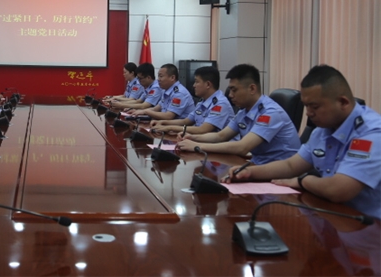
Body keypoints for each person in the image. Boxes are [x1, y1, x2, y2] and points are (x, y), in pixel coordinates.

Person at [225, 65, 381, 220]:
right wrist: (250, 173)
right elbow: (291, 165)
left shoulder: (370, 134)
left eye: (315, 106)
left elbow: (338, 190)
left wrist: (303, 181)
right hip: (332, 217)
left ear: (343, 102)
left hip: (367, 230)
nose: (308, 113)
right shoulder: (323, 130)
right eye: (306, 105)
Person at [177, 64, 300, 164]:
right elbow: (220, 136)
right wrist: (191, 137)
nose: (230, 95)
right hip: (258, 165)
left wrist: (197, 146)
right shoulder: (244, 111)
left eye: (234, 90)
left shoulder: (270, 113)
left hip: (280, 175)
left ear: (252, 89)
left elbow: (242, 148)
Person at [151, 66, 234, 135]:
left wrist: (169, 128)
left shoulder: (220, 104)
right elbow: (186, 121)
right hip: (202, 142)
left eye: (196, 82)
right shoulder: (203, 101)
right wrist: (163, 123)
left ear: (208, 84)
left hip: (222, 151)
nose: (194, 85)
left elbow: (202, 130)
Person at [131, 64, 195, 120]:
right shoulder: (166, 90)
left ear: (172, 77)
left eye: (161, 76)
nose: (158, 79)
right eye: (158, 76)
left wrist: (146, 112)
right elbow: (156, 108)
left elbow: (168, 116)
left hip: (180, 128)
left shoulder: (179, 93)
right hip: (167, 124)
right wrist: (140, 111)